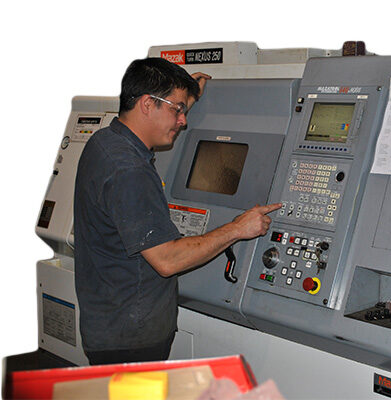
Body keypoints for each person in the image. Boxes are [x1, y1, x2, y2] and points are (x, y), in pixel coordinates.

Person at [74, 57, 281, 365]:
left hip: (109, 323)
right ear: (147, 104)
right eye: (177, 109)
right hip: (131, 341)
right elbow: (167, 260)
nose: (183, 120)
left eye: (184, 109)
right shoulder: (128, 169)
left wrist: (185, 99)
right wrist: (238, 228)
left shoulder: (105, 142)